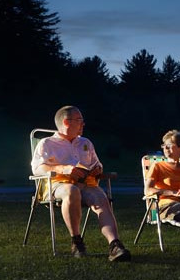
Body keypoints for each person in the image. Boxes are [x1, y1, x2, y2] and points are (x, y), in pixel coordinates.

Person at [31, 105, 131, 262]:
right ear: (66, 122)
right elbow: (38, 168)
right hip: (58, 184)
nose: (83, 124)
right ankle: (76, 241)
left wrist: (97, 169)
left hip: (86, 183)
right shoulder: (47, 143)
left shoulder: (86, 143)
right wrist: (63, 169)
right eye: (79, 120)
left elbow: (97, 164)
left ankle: (115, 245)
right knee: (71, 191)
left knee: (101, 198)